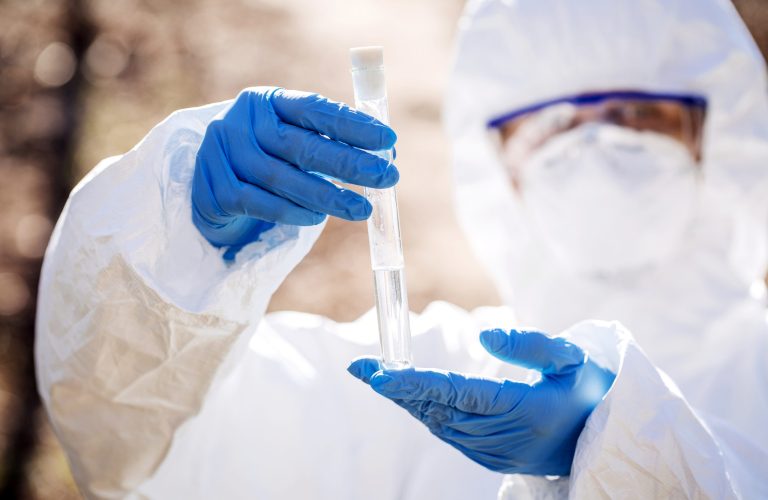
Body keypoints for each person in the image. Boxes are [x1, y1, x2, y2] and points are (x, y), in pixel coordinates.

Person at [35, 0, 768, 498]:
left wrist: (620, 451)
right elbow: (143, 459)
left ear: (725, 135)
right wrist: (172, 239)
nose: (595, 151)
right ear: (497, 162)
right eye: (548, 133)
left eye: (638, 115)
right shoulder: (437, 381)